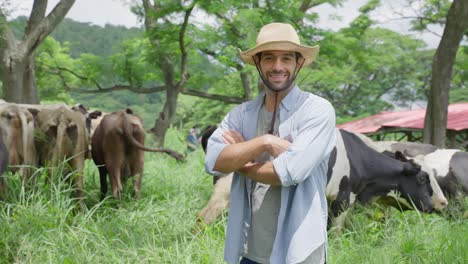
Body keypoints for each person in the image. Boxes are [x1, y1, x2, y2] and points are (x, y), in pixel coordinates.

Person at [204, 22, 336, 264]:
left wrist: (240, 161)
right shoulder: (241, 115)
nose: (277, 66)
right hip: (251, 250)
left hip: (300, 251)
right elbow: (214, 161)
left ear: (298, 63)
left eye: (286, 58)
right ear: (258, 63)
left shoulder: (317, 110)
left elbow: (287, 172)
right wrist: (263, 142)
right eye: (269, 58)